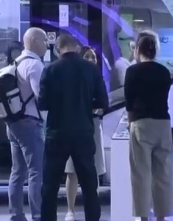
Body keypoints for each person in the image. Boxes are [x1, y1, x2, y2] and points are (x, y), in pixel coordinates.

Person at [37, 33, 108, 221]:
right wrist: (87, 103)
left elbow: (42, 104)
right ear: (76, 48)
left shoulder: (50, 70)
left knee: (50, 186)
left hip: (56, 134)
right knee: (89, 185)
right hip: (83, 133)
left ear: (57, 49)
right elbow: (103, 101)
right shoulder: (91, 69)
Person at [124, 31, 173, 221]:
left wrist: (130, 124)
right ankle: (162, 217)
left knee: (141, 174)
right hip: (163, 124)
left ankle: (144, 217)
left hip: (141, 124)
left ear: (138, 50)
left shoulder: (132, 71)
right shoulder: (164, 72)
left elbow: (129, 102)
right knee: (163, 174)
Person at [6, 28, 48, 221]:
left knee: (17, 172)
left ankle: (16, 215)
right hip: (30, 124)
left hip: (13, 123)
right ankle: (38, 216)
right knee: (36, 172)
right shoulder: (34, 65)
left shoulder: (17, 62)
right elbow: (41, 97)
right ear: (35, 41)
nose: (47, 45)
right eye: (45, 41)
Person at [62, 47, 107, 221]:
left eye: (93, 57)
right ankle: (70, 210)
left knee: (93, 170)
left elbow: (104, 102)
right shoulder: (75, 78)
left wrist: (99, 107)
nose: (91, 60)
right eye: (87, 56)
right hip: (75, 126)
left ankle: (93, 208)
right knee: (72, 170)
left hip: (94, 125)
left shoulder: (98, 77)